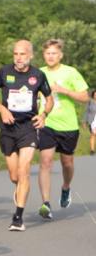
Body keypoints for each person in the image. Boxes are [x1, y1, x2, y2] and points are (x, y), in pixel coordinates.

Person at [0, 40, 53, 231]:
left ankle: (18, 217)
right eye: (15, 54)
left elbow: (49, 100)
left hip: (28, 128)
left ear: (30, 55)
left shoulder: (38, 75)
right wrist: (1, 109)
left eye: (22, 54)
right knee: (14, 175)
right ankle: (19, 187)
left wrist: (43, 114)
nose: (18, 58)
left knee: (24, 170)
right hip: (8, 128)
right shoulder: (4, 72)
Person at [35, 38, 89, 217]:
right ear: (43, 55)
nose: (50, 57)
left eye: (54, 53)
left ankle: (66, 187)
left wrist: (65, 90)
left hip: (68, 125)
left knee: (67, 162)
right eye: (47, 53)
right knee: (46, 161)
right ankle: (46, 204)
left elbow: (85, 97)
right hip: (46, 123)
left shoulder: (70, 72)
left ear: (60, 55)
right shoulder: (38, 73)